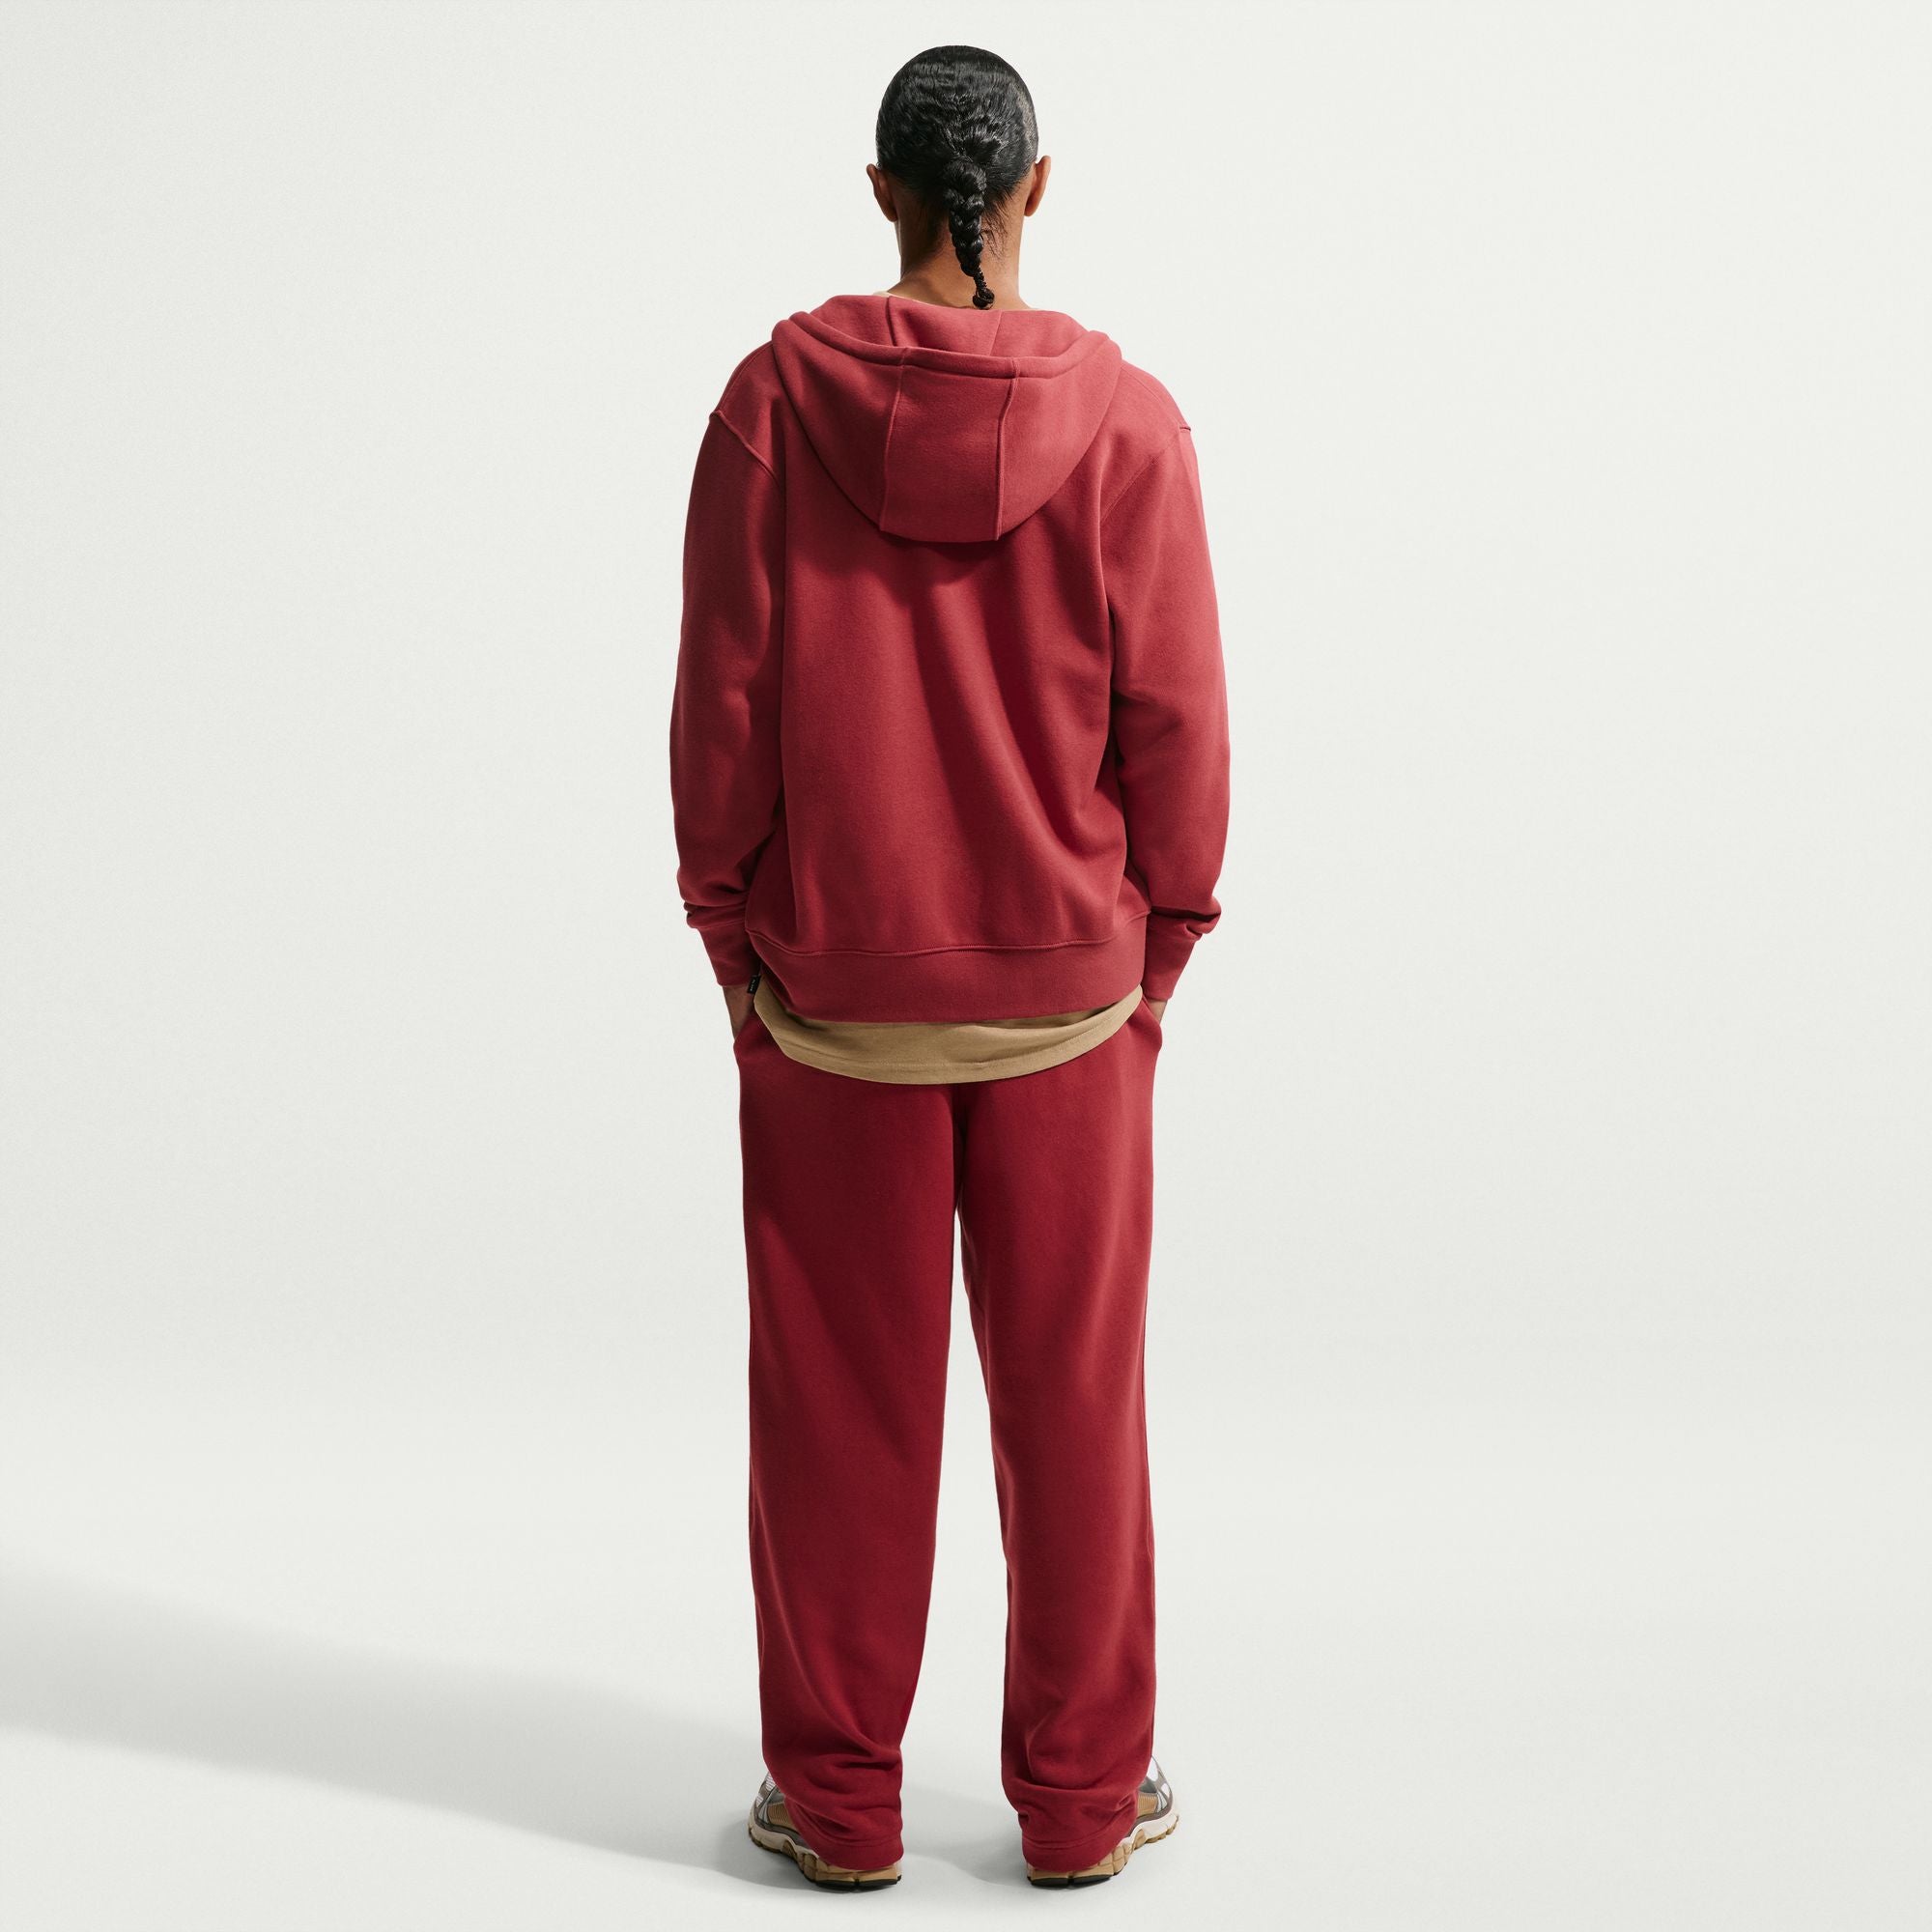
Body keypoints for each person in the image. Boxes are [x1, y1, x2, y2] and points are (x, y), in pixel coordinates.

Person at [669, 44, 1229, 1891]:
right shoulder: (1130, 425)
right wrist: (1160, 952)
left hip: (834, 1010)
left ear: (881, 190)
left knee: (836, 1415)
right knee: (1075, 1410)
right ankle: (1082, 1805)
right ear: (1037, 189)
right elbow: (1177, 726)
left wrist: (735, 941)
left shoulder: (770, 409)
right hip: (1071, 1003)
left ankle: (838, 1810)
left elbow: (723, 709)